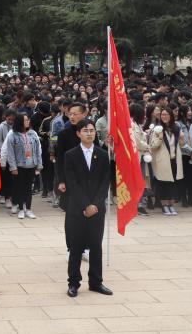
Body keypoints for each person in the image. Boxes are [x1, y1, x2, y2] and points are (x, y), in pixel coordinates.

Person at [62, 119, 112, 298]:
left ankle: (96, 282)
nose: (89, 133)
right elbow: (72, 183)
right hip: (77, 209)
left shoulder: (103, 155)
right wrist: (85, 205)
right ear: (78, 133)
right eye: (85, 130)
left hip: (97, 209)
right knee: (76, 247)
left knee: (96, 246)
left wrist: (95, 205)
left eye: (91, 130)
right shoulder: (70, 155)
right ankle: (73, 283)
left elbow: (105, 182)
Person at [4, 113, 42, 219]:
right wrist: (13, 167)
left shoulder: (33, 134)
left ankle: (28, 209)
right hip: (19, 166)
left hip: (31, 165)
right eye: (25, 120)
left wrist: (39, 165)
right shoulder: (12, 135)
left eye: (28, 120)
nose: (27, 122)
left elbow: (38, 150)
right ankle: (21, 209)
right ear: (20, 121)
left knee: (29, 188)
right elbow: (10, 153)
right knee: (20, 188)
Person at [148, 106, 185, 215]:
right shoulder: (157, 129)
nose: (164, 116)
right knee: (163, 183)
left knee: (173, 183)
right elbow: (152, 146)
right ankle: (164, 206)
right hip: (163, 161)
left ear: (171, 116)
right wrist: (160, 137)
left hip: (174, 160)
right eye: (162, 114)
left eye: (166, 114)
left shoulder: (176, 128)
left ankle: (171, 205)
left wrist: (182, 138)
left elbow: (182, 145)